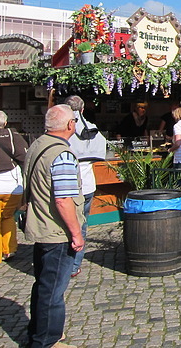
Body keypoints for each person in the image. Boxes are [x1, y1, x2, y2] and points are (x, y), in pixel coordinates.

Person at [23, 104, 85, 348]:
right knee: (52, 291)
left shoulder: (38, 145)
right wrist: (76, 234)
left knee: (43, 286)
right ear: (70, 125)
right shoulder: (62, 154)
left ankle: (40, 333)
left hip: (42, 226)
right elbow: (63, 199)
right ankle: (46, 341)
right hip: (57, 232)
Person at [65, 95, 106, 278]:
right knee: (81, 225)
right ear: (82, 110)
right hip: (88, 184)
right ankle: (74, 265)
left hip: (67, 184)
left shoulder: (63, 129)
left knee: (64, 224)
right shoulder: (91, 128)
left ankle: (65, 264)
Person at [0, 110, 28, 265]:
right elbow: (24, 158)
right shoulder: (13, 136)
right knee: (8, 217)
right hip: (12, 188)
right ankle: (9, 249)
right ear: (5, 122)